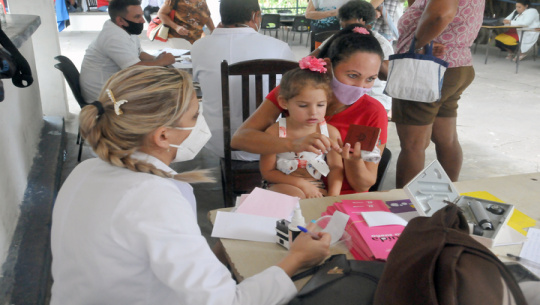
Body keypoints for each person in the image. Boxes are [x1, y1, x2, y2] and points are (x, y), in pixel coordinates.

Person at [50, 66, 331, 304]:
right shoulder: (154, 197)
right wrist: (296, 259)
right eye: (195, 116)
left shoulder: (85, 170)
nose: (201, 125)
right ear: (162, 136)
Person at [232, 25, 388, 195]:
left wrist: (353, 161)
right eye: (352, 75)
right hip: (292, 189)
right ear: (328, 66)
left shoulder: (372, 112)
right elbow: (240, 139)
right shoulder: (296, 91)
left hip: (341, 199)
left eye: (370, 79)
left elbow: (362, 185)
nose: (360, 87)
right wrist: (293, 144)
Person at [392, 0, 484, 188]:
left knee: (413, 145)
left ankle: (406, 205)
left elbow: (440, 15)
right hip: (457, 65)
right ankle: (447, 198)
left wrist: (417, 44)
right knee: (446, 138)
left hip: (426, 67)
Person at [191, 0, 295, 161]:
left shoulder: (199, 46)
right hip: (268, 141)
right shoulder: (279, 47)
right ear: (255, 15)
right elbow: (294, 89)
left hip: (217, 141)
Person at [260, 57, 344, 199]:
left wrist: (333, 197)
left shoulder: (329, 132)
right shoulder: (274, 132)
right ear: (284, 102)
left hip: (316, 188)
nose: (313, 112)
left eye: (320, 105)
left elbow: (336, 167)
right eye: (303, 105)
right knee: (295, 199)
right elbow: (267, 172)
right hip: (280, 185)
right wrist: (302, 184)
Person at [80, 0, 175, 104]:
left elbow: (139, 54)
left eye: (142, 15)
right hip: (103, 99)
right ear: (120, 20)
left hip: (115, 88)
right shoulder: (113, 37)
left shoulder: (125, 29)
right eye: (137, 17)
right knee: (166, 95)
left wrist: (156, 58)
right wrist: (161, 62)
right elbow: (134, 69)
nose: (143, 21)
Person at [312, 0, 394, 112]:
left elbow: (387, 76)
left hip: (373, 96)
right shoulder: (340, 37)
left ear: (365, 22)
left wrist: (368, 59)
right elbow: (311, 59)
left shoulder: (381, 43)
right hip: (340, 96)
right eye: (343, 26)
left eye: (350, 26)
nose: (346, 30)